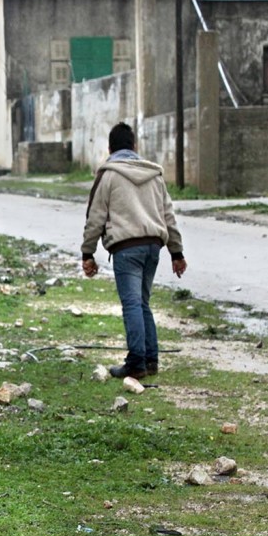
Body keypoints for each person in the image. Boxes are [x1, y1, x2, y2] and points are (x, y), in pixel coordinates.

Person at [81, 122, 188, 379]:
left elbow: (95, 217)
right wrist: (177, 253)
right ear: (134, 146)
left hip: (126, 248)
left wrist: (87, 252)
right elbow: (168, 216)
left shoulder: (108, 175)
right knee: (143, 303)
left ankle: (136, 362)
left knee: (131, 304)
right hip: (153, 246)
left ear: (110, 148)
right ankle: (151, 360)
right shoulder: (155, 175)